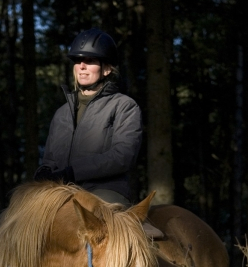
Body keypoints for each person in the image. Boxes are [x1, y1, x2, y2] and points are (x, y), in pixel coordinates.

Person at [35, 27, 163, 237]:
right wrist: (45, 171)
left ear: (106, 69)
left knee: (109, 240)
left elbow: (123, 156)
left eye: (90, 61)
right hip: (61, 192)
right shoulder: (61, 113)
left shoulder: (124, 106)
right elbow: (50, 158)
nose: (82, 66)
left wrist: (73, 172)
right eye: (78, 61)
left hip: (105, 192)